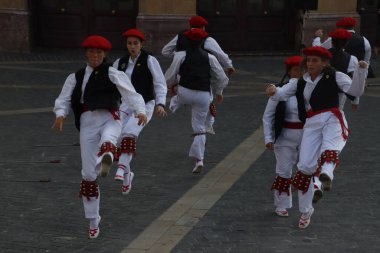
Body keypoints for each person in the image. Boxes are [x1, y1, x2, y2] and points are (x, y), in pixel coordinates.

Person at [53, 35, 147, 239]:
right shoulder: (76, 77)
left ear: (104, 55)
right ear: (86, 54)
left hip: (110, 117)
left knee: (109, 138)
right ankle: (94, 219)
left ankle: (106, 158)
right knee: (88, 176)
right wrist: (60, 115)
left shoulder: (113, 73)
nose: (95, 55)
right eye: (91, 52)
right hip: (87, 121)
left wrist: (140, 110)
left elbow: (131, 94)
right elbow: (64, 98)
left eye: (99, 52)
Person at [266, 46, 366, 229]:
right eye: (309, 60)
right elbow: (282, 93)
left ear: (324, 63)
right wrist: (274, 89)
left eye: (315, 61)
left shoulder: (335, 76)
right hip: (311, 123)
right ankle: (306, 209)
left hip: (332, 118)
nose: (310, 64)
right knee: (304, 166)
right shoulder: (300, 81)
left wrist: (361, 71)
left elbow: (356, 92)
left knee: (330, 148)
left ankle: (326, 174)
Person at [165, 28, 229, 173]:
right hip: (203, 95)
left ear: (187, 40)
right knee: (199, 128)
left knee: (177, 96)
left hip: (185, 92)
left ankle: (173, 105)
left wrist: (167, 88)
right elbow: (222, 78)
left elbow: (171, 74)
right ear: (202, 42)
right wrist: (219, 92)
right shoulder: (209, 57)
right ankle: (199, 160)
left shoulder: (180, 55)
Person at [112, 28, 167, 194]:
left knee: (130, 132)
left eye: (135, 43)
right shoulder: (120, 63)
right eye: (129, 43)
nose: (132, 46)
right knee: (117, 137)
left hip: (145, 104)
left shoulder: (150, 60)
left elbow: (160, 83)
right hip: (125, 105)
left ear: (141, 44)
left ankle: (121, 169)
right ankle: (128, 175)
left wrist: (161, 103)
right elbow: (111, 81)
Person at [162, 15, 235, 134]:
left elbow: (165, 51)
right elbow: (220, 55)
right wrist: (229, 66)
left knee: (182, 92)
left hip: (182, 77)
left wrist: (178, 57)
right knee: (207, 99)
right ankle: (208, 126)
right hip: (201, 79)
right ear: (203, 27)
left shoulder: (181, 36)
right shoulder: (207, 39)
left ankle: (176, 103)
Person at [263, 56, 304, 217]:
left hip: (306, 134)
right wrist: (268, 138)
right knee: (284, 170)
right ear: (289, 72)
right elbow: (268, 116)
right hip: (285, 135)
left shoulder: (309, 90)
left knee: (308, 168)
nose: (299, 73)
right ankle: (281, 204)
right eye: (296, 70)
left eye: (302, 70)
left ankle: (306, 202)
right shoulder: (280, 91)